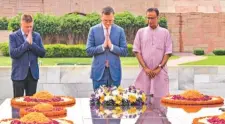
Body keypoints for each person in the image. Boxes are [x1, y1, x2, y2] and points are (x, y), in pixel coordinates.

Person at [133, 8, 173, 97]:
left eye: (152, 18)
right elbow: (137, 51)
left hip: (160, 72)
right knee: (142, 100)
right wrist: (146, 68)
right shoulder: (141, 32)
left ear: (157, 17)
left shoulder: (165, 32)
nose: (150, 20)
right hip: (144, 72)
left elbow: (168, 52)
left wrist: (159, 68)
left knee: (161, 100)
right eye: (148, 18)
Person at [86, 6, 128, 91]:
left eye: (110, 20)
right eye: (105, 20)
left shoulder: (120, 31)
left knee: (115, 101)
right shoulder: (93, 30)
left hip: (114, 73)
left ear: (113, 18)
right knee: (97, 101)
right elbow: (88, 50)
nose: (108, 23)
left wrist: (112, 46)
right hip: (98, 73)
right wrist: (102, 46)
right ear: (101, 17)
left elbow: (125, 51)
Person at [9, 14, 46, 98]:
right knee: (18, 103)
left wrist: (32, 44)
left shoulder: (37, 36)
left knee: (32, 103)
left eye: (31, 26)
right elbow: (13, 54)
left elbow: (42, 53)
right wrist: (26, 44)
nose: (29, 29)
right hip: (18, 75)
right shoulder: (13, 36)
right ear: (21, 24)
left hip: (33, 75)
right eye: (27, 27)